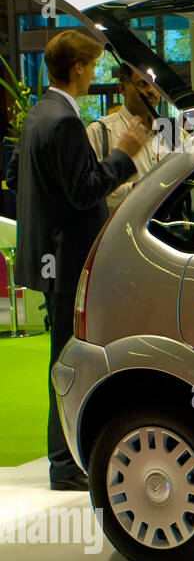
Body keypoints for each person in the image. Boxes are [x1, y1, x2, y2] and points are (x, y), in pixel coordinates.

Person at [3, 30, 145, 490]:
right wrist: (125, 156)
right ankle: (64, 465)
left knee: (64, 356)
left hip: (49, 257)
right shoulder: (63, 121)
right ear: (79, 68)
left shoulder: (39, 115)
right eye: (95, 66)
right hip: (67, 261)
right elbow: (85, 191)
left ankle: (65, 459)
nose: (97, 75)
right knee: (67, 361)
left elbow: (13, 176)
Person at [87, 65, 167, 211]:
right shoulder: (100, 132)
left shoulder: (173, 132)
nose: (151, 90)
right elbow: (92, 192)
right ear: (122, 88)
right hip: (122, 230)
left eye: (155, 84)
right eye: (142, 84)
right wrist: (144, 189)